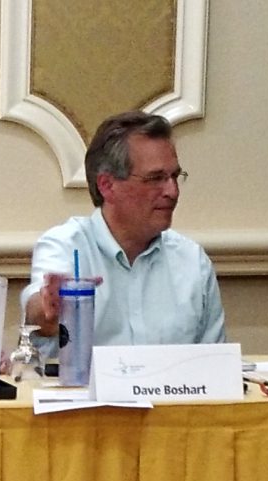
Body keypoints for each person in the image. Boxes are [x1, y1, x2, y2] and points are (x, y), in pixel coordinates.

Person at [22, 111, 226, 353]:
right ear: (107, 186)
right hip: (86, 390)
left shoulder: (192, 261)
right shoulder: (66, 245)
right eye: (156, 178)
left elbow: (216, 364)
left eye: (174, 176)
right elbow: (39, 313)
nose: (172, 191)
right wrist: (50, 311)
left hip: (173, 391)